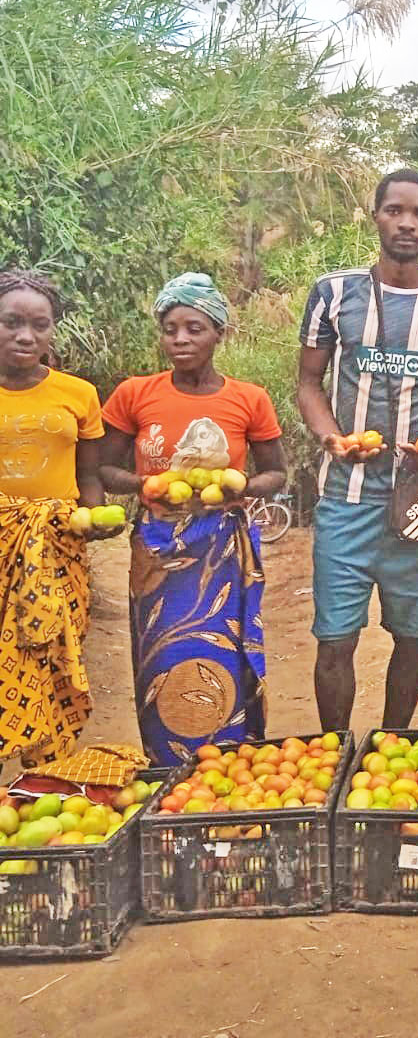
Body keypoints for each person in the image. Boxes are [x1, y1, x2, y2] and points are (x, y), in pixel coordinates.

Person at [298, 168, 418, 731]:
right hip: (345, 497)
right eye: (394, 210)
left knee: (413, 634)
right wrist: (332, 438)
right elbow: (308, 383)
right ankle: (335, 752)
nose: (406, 223)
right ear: (375, 216)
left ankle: (391, 745)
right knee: (335, 639)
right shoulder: (333, 294)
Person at [100, 273, 286, 764]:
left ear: (219, 333)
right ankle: (167, 765)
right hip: (159, 548)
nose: (180, 339)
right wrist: (144, 484)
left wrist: (242, 486)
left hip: (221, 546)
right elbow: (103, 467)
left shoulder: (249, 398)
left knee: (225, 650)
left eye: (194, 328)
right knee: (160, 656)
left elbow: (276, 473)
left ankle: (229, 758)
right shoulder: (135, 393)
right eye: (170, 329)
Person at [0, 269, 117, 765]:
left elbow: (88, 475)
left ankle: (44, 776)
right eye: (11, 322)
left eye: (39, 325)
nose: (26, 336)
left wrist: (95, 518)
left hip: (57, 549)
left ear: (53, 329)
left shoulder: (79, 393)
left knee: (51, 655)